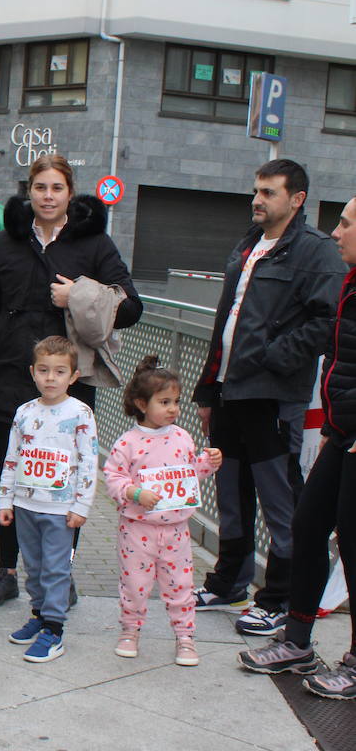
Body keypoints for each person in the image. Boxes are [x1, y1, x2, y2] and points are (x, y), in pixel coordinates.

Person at [0, 154, 140, 609]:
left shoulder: (93, 242)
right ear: (29, 192)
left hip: (68, 383)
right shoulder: (6, 242)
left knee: (64, 478)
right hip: (7, 374)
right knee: (9, 476)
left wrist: (77, 293)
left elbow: (131, 307)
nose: (48, 196)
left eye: (57, 188)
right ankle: (6, 572)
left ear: (69, 193)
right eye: (40, 187)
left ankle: (61, 573)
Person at [192, 159, 345, 636]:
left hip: (273, 396)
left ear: (296, 198)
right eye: (255, 191)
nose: (257, 200)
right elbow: (225, 322)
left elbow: (326, 323)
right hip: (229, 391)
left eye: (269, 192)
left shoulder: (315, 251)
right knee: (231, 494)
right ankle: (229, 581)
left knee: (281, 501)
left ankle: (277, 597)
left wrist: (274, 356)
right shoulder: (247, 246)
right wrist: (206, 388)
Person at [238, 195, 356, 698]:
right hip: (342, 432)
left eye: (347, 223)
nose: (336, 232)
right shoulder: (352, 281)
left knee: (353, 548)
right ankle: (298, 640)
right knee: (309, 526)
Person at [103, 358, 221, 666]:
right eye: (164, 402)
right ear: (142, 404)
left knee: (180, 585)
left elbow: (189, 473)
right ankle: (130, 631)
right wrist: (134, 492)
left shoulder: (181, 437)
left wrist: (207, 463)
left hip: (176, 530)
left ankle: (185, 637)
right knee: (134, 585)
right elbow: (113, 476)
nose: (173, 408)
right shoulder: (127, 442)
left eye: (176, 402)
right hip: (137, 528)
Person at [0, 336, 97, 664]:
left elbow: (89, 461)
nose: (50, 378)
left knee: (56, 569)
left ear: (73, 376)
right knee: (35, 566)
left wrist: (81, 506)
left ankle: (54, 630)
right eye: (44, 370)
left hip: (60, 510)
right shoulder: (24, 412)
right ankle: (39, 614)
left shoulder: (80, 413)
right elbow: (12, 458)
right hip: (27, 505)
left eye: (59, 371)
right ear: (33, 372)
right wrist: (5, 500)